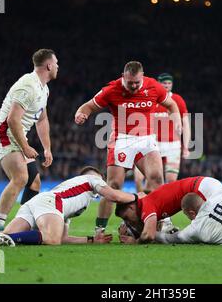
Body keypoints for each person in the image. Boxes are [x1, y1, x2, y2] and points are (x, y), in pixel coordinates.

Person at [74, 61, 181, 233]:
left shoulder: (153, 86)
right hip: (121, 140)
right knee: (114, 186)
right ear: (123, 76)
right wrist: (81, 114)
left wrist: (176, 120)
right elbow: (88, 106)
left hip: (146, 139)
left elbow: (171, 105)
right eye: (130, 82)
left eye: (137, 83)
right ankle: (99, 230)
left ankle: (163, 224)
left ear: (142, 76)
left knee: (156, 179)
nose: (133, 86)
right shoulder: (112, 89)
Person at [0, 167, 114, 246]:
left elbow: (63, 237)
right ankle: (12, 240)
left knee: (0, 236)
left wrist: (91, 239)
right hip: (49, 203)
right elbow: (114, 194)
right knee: (50, 239)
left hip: (41, 203)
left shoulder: (76, 198)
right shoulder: (86, 184)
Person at [0, 49, 58, 231]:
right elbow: (12, 120)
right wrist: (25, 146)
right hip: (2, 134)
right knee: (21, 177)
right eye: (56, 63)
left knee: (35, 183)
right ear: (49, 65)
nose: (58, 66)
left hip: (15, 135)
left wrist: (47, 148)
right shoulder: (28, 85)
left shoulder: (44, 89)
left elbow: (42, 119)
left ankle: (21, 224)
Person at [110, 177, 222, 244]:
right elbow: (147, 229)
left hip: (202, 188)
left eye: (127, 217)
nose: (128, 221)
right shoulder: (144, 204)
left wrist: (134, 242)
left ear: (131, 206)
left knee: (213, 226)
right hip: (205, 185)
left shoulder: (146, 205)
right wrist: (129, 229)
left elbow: (149, 235)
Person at [134, 72, 190, 233]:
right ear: (158, 84)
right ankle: (145, 213)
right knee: (140, 180)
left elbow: (185, 123)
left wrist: (186, 146)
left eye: (169, 84)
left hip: (172, 145)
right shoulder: (152, 98)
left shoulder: (177, 100)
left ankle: (165, 221)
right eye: (163, 84)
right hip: (153, 144)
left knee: (171, 182)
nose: (166, 86)